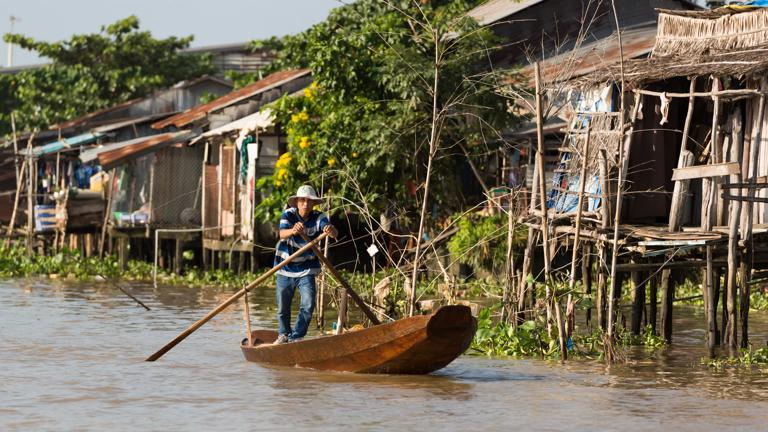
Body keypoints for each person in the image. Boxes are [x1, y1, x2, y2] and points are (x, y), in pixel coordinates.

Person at [273, 185, 337, 344]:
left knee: (308, 304)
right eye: (302, 200)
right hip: (285, 267)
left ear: (314, 204)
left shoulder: (319, 216)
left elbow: (334, 233)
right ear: (297, 202)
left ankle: (296, 337)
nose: (306, 204)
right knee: (283, 307)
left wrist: (330, 229)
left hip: (306, 268)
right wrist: (293, 231)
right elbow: (282, 234)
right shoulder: (288, 215)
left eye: (309, 201)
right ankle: (283, 334)